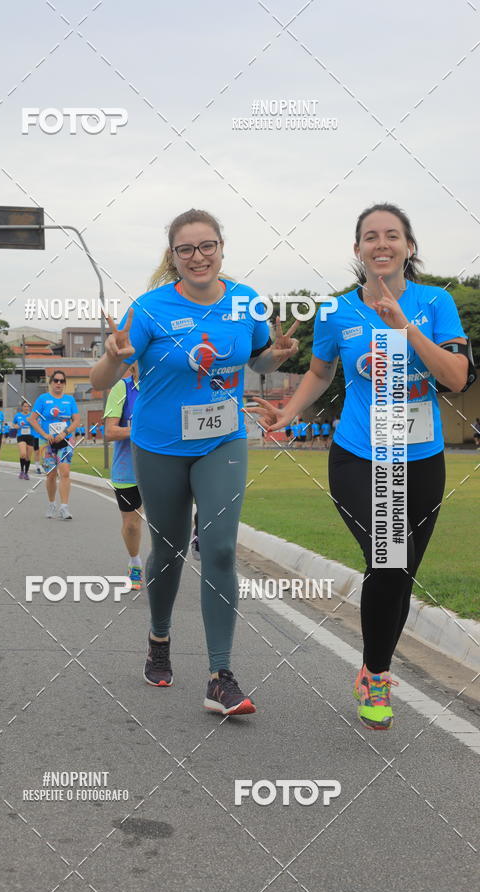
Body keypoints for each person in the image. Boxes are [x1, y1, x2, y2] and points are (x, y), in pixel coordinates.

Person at [250, 202, 471, 730]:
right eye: (370, 236)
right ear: (357, 250)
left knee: (401, 570)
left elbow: (458, 376)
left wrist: (406, 328)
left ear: (408, 247)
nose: (382, 244)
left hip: (420, 458)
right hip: (358, 455)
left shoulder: (435, 303)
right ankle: (376, 676)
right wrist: (289, 410)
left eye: (392, 235)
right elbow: (322, 373)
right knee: (391, 558)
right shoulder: (336, 313)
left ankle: (375, 666)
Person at [90, 207, 299, 715]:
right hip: (159, 445)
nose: (198, 256)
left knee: (222, 549)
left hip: (222, 440)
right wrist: (116, 356)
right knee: (169, 549)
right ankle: (159, 638)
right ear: (174, 257)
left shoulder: (247, 301)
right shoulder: (149, 308)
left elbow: (256, 359)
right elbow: (100, 382)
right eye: (186, 249)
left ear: (222, 248)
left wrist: (279, 355)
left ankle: (220, 675)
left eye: (207, 246)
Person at [103, 362, 143, 589]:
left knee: (166, 523)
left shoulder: (163, 387)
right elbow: (110, 432)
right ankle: (135, 562)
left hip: (162, 466)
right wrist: (141, 429)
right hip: (128, 469)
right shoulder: (122, 389)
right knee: (131, 525)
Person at [30, 371, 80, 519]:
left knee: (64, 472)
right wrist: (45, 435)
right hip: (47, 442)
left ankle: (64, 507)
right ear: (51, 383)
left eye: (62, 381)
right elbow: (32, 419)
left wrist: (65, 433)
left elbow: (76, 421)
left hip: (65, 440)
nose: (59, 383)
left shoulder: (70, 400)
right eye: (56, 380)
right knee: (51, 475)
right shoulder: (43, 399)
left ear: (64, 384)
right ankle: (52, 504)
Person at [13, 401, 33, 479]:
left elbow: (37, 424)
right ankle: (21, 471)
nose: (26, 408)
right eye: (25, 406)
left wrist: (31, 421)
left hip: (30, 436)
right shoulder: (18, 415)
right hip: (21, 436)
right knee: (23, 453)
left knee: (28, 457)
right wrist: (16, 426)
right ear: (22, 407)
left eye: (27, 406)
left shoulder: (32, 415)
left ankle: (26, 473)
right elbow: (13, 424)